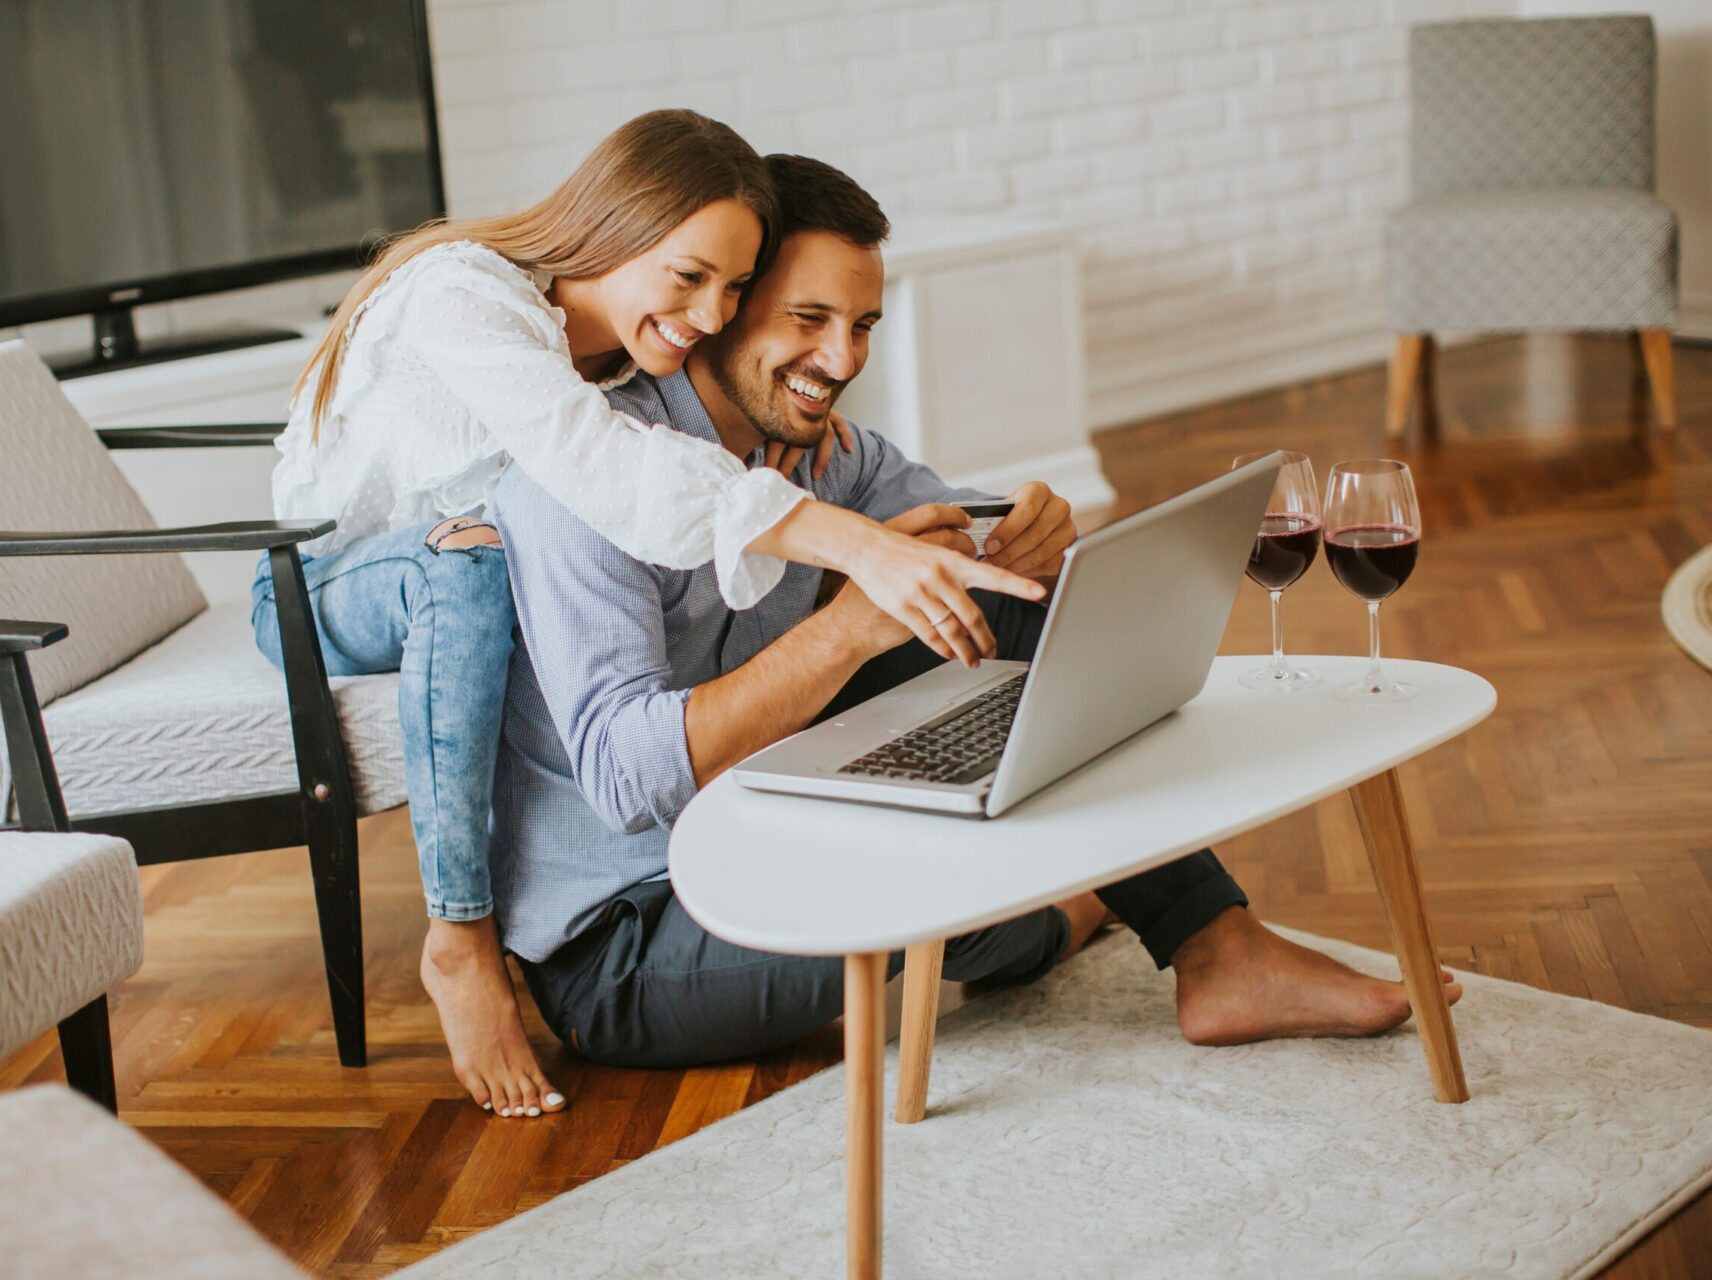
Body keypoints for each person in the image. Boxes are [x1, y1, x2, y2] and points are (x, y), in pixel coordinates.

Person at [488, 154, 1463, 1068]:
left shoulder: (825, 451)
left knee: (1009, 616)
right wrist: (850, 623)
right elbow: (624, 778)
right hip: (632, 931)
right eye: (809, 317)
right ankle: (1066, 911)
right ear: (729, 307)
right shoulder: (592, 479)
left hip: (764, 815)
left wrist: (1028, 539)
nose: (839, 357)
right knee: (951, 886)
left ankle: (1218, 950)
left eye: (863, 325)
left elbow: (978, 555)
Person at [252, 112, 1040, 1120]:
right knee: (474, 574)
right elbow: (597, 464)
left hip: (477, 555)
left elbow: (662, 458)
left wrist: (993, 525)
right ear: (616, 226)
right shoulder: (466, 297)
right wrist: (845, 545)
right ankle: (459, 937)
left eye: (730, 290)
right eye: (690, 277)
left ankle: (1123, 913)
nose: (710, 315)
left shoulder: (627, 363)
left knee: (487, 562)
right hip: (324, 578)